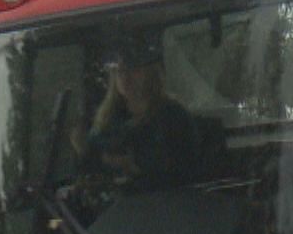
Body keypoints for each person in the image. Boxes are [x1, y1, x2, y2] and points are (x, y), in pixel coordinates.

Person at [74, 47, 202, 195]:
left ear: (150, 72)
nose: (125, 78)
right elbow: (89, 166)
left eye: (133, 70)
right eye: (120, 72)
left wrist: (128, 164)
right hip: (113, 207)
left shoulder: (173, 116)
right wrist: (81, 148)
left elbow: (179, 172)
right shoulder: (109, 117)